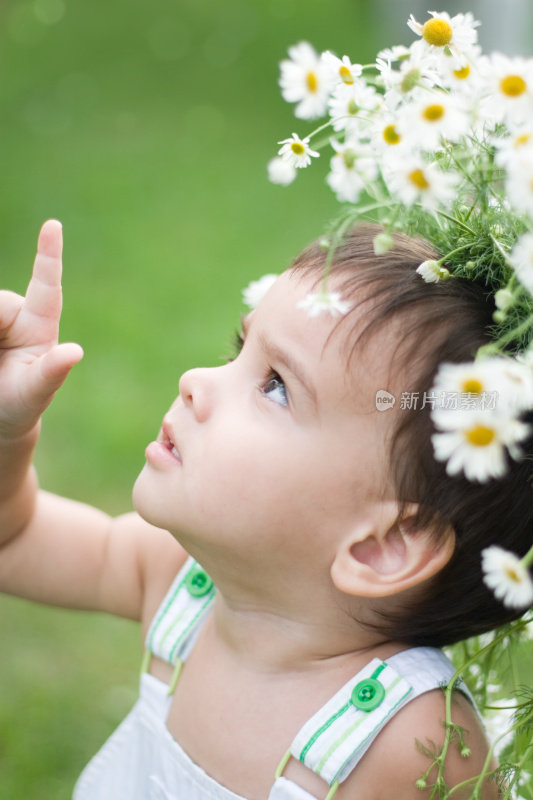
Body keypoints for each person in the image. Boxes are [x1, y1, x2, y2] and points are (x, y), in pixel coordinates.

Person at [2, 217, 525, 800]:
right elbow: (13, 542)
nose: (195, 379)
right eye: (238, 349)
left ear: (382, 545)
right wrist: (7, 433)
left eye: (276, 384)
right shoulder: (176, 578)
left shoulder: (413, 746)